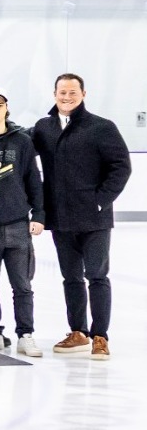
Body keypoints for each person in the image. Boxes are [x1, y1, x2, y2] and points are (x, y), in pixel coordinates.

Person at [33, 73, 132, 360]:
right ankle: (78, 331)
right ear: (54, 94)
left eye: (72, 92)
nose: (67, 97)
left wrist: (101, 201)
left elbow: (121, 167)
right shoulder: (44, 127)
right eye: (62, 92)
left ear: (83, 94)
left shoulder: (101, 127)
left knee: (97, 276)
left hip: (94, 220)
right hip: (61, 218)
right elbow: (22, 151)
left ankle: (100, 336)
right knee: (71, 277)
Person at [0, 86, 43, 357]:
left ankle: (26, 334)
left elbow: (33, 180)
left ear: (6, 108)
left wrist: (38, 215)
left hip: (17, 224)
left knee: (22, 285)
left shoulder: (22, 141)